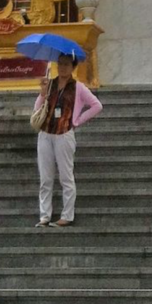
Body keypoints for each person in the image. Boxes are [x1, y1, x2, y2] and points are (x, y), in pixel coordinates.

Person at [33, 54, 102, 228]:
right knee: (45, 177)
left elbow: (96, 106)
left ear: (73, 67)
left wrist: (77, 120)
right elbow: (37, 109)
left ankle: (67, 215)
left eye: (66, 65)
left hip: (64, 134)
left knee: (66, 176)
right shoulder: (50, 85)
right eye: (60, 64)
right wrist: (42, 93)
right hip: (46, 133)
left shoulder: (78, 87)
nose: (63, 68)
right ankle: (44, 216)